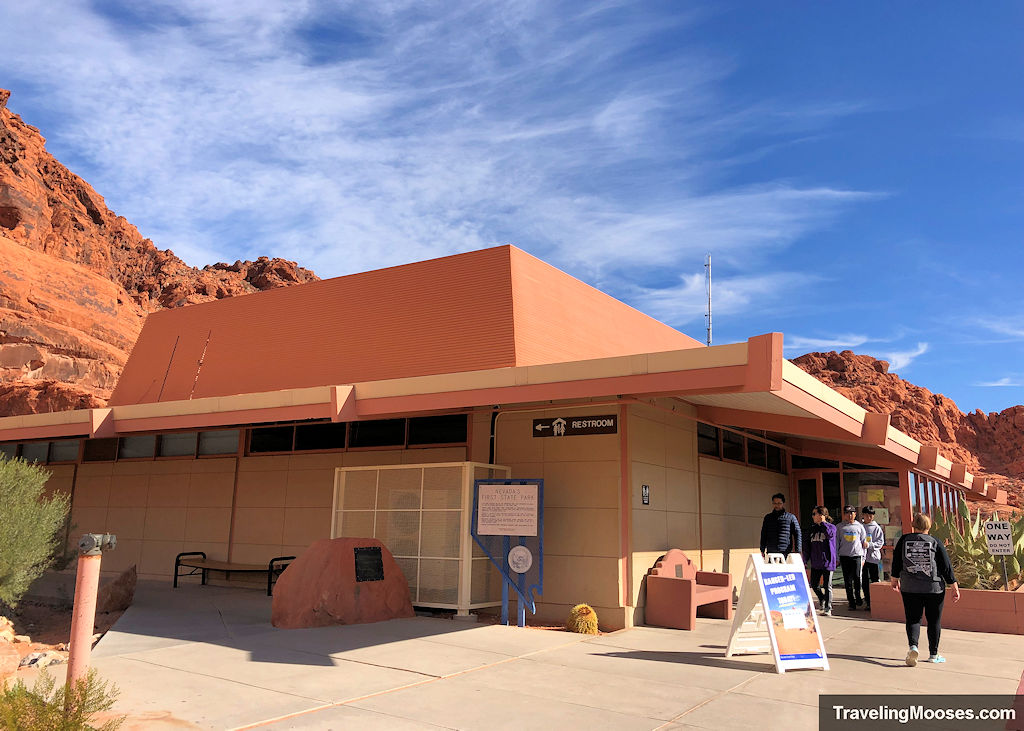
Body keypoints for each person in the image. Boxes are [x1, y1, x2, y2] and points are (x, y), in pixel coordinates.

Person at [891, 513, 960, 666]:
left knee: (913, 619)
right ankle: (933, 655)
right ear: (929, 525)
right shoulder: (935, 542)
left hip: (910, 588)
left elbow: (897, 560)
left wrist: (894, 578)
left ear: (913, 524)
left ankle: (913, 646)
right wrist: (953, 585)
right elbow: (945, 566)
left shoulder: (904, 540)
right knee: (934, 621)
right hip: (933, 588)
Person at [803, 505, 838, 615]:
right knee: (814, 584)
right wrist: (805, 560)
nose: (813, 516)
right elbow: (807, 545)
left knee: (827, 585)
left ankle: (828, 608)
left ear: (822, 515)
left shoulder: (831, 527)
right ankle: (822, 598)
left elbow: (830, 535)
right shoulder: (812, 529)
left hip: (827, 561)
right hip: (815, 562)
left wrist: (823, 523)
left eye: (815, 514)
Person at [836, 505, 867, 610]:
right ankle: (851, 602)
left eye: (851, 513)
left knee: (857, 578)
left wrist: (863, 558)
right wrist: (837, 557)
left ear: (855, 514)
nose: (849, 515)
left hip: (857, 556)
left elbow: (864, 543)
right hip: (844, 556)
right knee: (847, 580)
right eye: (847, 513)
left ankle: (858, 596)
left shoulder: (860, 526)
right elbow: (836, 543)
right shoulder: (839, 527)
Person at [760, 493, 801, 558]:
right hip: (771, 551)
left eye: (779, 503)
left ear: (783, 503)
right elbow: (763, 534)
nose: (777, 505)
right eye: (774, 503)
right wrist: (762, 549)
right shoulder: (768, 517)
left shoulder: (791, 517)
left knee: (785, 568)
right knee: (772, 568)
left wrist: (798, 550)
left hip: (785, 551)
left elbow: (797, 533)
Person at [861, 506, 885, 611]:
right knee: (864, 580)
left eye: (871, 515)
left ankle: (877, 600)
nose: (869, 517)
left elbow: (880, 542)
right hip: (863, 558)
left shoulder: (876, 528)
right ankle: (868, 601)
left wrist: (869, 545)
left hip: (873, 558)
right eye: (866, 515)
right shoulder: (860, 527)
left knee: (875, 579)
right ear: (863, 515)